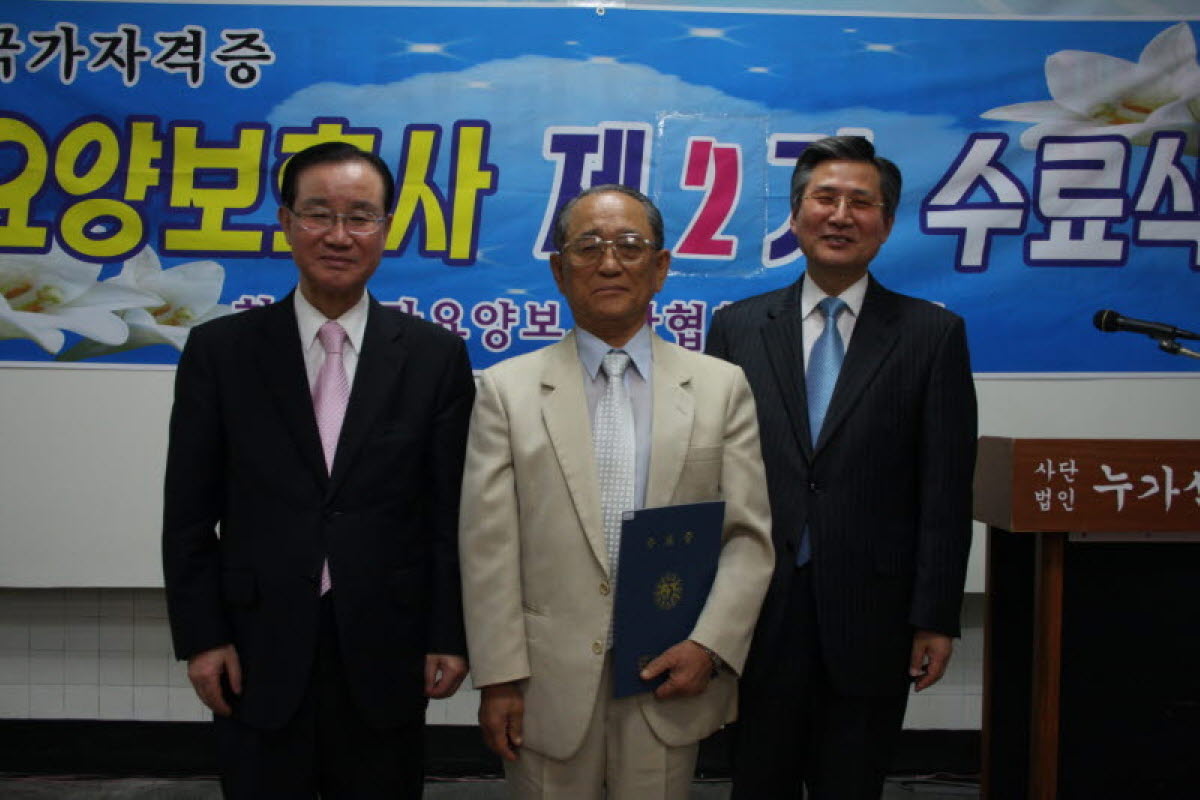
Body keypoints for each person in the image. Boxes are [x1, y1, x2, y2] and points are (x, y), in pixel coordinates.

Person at [162, 141, 475, 797]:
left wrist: (449, 634)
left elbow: (448, 514)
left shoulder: (434, 357)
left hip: (387, 647)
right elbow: (188, 515)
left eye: (359, 216)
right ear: (286, 222)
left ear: (386, 227)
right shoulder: (221, 352)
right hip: (255, 647)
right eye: (318, 214)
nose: (338, 235)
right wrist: (202, 638)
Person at [459, 184, 773, 800]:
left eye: (630, 246)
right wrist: (498, 677)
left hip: (669, 670)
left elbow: (747, 538)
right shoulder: (505, 391)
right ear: (558, 270)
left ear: (661, 267)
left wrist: (710, 644)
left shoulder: (721, 387)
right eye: (588, 247)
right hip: (543, 682)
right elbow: (487, 549)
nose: (609, 263)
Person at [706, 135, 978, 799]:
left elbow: (945, 490)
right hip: (756, 608)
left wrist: (935, 616)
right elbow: (708, 475)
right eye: (824, 198)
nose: (840, 215)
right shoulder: (738, 328)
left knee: (852, 785)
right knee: (757, 782)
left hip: (874, 613)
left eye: (861, 202)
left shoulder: (931, 336)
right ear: (795, 215)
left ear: (885, 224)